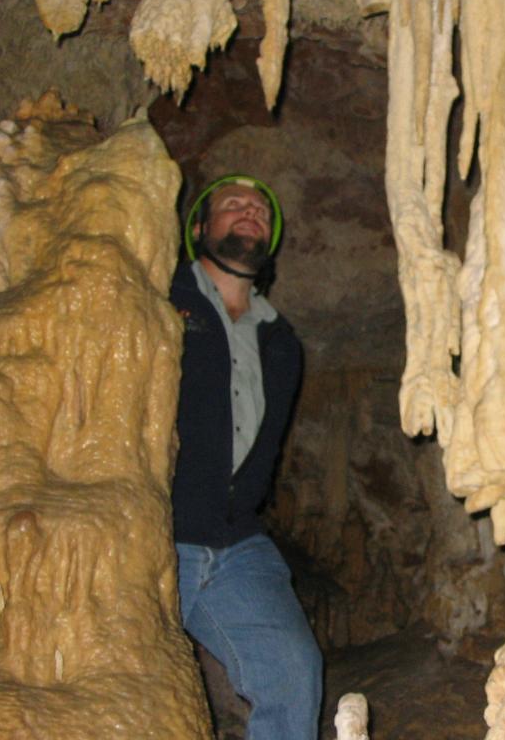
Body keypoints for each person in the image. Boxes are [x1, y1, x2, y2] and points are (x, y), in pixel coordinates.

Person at [170, 174, 322, 739]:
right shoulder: (163, 305)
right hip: (160, 534)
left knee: (293, 672)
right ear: (200, 228)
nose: (248, 212)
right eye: (232, 205)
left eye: (259, 208)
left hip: (237, 541)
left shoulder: (281, 342)